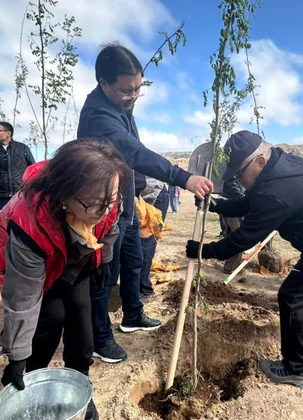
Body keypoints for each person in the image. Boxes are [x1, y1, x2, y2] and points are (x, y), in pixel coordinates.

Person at [187, 131, 303, 388]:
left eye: (239, 173)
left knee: (293, 298)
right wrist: (218, 206)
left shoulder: (277, 190)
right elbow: (250, 203)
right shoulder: (281, 166)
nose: (238, 178)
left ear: (259, 160)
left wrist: (203, 250)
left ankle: (297, 368)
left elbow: (241, 240)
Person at [77, 44, 213, 363]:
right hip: (102, 206)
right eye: (127, 91)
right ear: (103, 83)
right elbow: (133, 151)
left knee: (135, 260)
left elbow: (131, 143)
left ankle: (132, 315)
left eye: (139, 88)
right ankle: (99, 337)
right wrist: (183, 177)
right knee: (105, 274)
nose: (134, 96)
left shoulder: (121, 103)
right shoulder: (98, 115)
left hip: (126, 201)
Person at [0, 139, 127, 420]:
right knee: (49, 318)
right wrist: (17, 355)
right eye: (94, 204)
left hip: (74, 255)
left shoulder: (103, 196)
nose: (104, 209)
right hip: (37, 256)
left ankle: (78, 387)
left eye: (110, 200)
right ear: (64, 194)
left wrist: (106, 260)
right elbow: (22, 297)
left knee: (81, 317)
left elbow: (110, 224)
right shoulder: (28, 221)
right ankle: (28, 378)